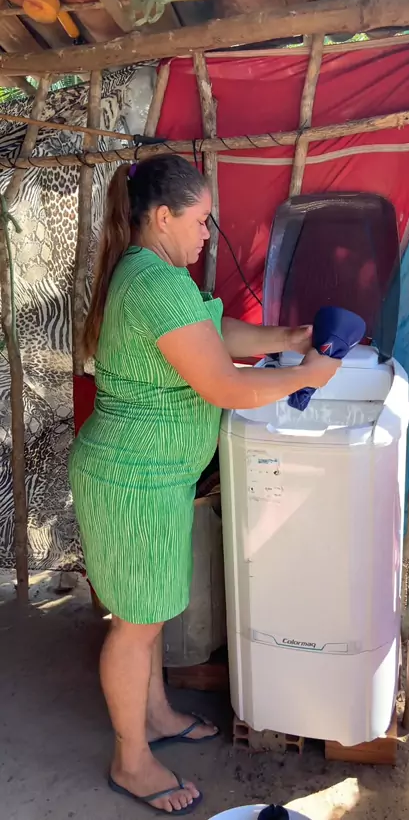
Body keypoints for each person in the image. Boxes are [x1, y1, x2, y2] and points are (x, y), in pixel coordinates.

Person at [69, 154, 340, 815]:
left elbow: (212, 329)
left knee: (148, 614)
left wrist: (285, 337)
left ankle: (156, 714)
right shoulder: (153, 283)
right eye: (200, 220)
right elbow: (221, 383)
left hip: (150, 477)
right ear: (163, 217)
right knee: (134, 626)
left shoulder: (160, 276)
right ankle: (131, 761)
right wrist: (306, 375)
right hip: (132, 482)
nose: (206, 233)